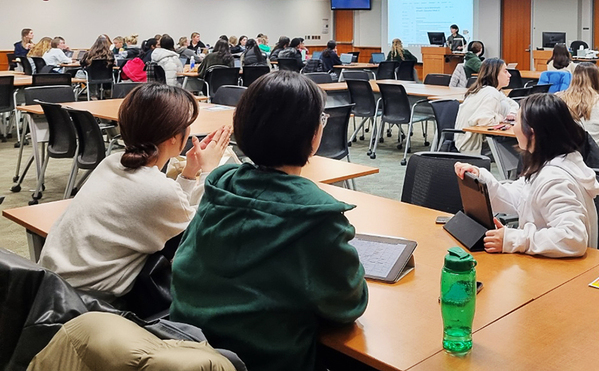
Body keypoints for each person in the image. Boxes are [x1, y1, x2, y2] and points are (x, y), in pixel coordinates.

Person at [170, 72, 368, 371]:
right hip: (263, 361)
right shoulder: (318, 217)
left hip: (188, 348)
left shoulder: (219, 186)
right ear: (313, 135)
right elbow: (347, 307)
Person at [38, 83, 232, 302]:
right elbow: (202, 228)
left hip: (53, 289)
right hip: (90, 304)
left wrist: (190, 173)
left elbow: (173, 211)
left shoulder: (110, 163)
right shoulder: (157, 189)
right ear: (173, 136)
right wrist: (209, 171)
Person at [453, 93, 599, 257]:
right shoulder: (550, 163)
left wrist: (515, 239)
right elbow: (519, 199)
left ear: (532, 132)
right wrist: (481, 178)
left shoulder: (555, 180)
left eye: (516, 121)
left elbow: (573, 238)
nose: (513, 126)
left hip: (561, 274)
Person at [454, 58, 519, 154]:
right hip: (472, 145)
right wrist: (501, 117)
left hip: (479, 139)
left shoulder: (493, 91)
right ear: (494, 73)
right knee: (520, 146)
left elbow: (514, 104)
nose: (509, 75)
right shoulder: (490, 92)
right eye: (505, 71)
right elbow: (484, 120)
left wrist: (512, 113)